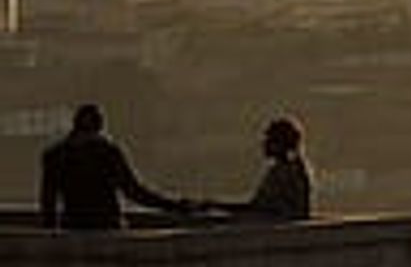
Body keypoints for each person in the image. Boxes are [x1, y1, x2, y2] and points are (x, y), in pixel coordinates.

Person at [39, 103, 189, 229]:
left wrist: (51, 234)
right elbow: (134, 192)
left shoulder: (55, 155)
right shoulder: (107, 153)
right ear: (99, 127)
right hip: (107, 226)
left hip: (74, 226)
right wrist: (175, 206)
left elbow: (48, 203)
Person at [208, 116, 313, 221]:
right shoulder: (283, 169)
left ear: (281, 143)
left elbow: (273, 211)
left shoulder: (289, 172)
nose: (264, 144)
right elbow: (257, 207)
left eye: (270, 140)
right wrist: (215, 206)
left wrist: (219, 209)